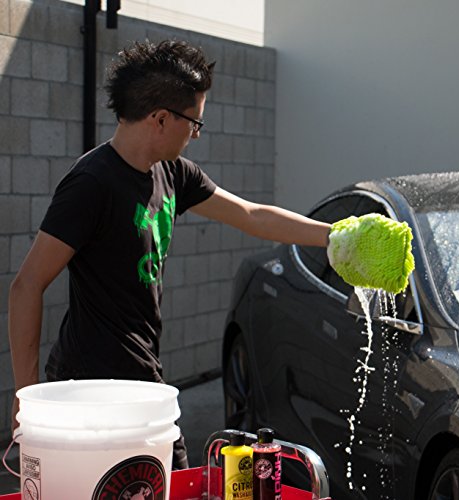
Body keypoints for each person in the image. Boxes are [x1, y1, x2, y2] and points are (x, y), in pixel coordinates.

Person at [8, 39, 331, 469]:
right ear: (161, 119)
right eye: (195, 123)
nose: (196, 134)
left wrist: (337, 237)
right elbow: (27, 285)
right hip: (87, 390)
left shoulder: (173, 173)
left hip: (143, 378)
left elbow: (252, 215)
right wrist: (26, 400)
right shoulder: (91, 183)